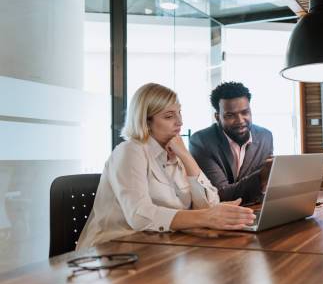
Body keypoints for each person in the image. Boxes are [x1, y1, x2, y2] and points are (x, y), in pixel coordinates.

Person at [77, 83, 255, 250]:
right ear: (146, 121)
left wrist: (186, 156)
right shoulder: (130, 151)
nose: (179, 121)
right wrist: (206, 217)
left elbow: (208, 204)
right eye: (169, 116)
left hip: (159, 245)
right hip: (114, 249)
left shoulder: (174, 151)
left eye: (179, 112)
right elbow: (140, 216)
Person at [190, 82, 273, 204]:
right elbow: (220, 194)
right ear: (218, 117)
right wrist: (261, 177)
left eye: (245, 112)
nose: (240, 120)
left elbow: (268, 185)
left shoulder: (265, 136)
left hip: (257, 208)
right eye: (230, 115)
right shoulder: (201, 141)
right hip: (222, 215)